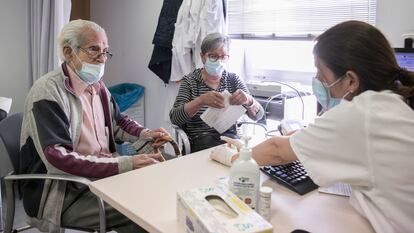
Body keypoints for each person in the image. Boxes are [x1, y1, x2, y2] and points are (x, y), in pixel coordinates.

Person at [211, 21, 414, 233]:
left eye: (321, 75)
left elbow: (276, 152)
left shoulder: (361, 113)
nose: (317, 80)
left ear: (351, 80)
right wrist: (301, 136)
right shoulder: (390, 104)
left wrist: (234, 158)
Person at [20, 19, 168, 233]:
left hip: (100, 177)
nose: (102, 59)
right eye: (94, 50)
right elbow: (58, 158)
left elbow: (119, 122)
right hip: (65, 193)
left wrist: (146, 134)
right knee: (140, 213)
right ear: (68, 52)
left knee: (154, 192)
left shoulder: (96, 86)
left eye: (105, 51)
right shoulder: (47, 92)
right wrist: (126, 164)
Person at [169, 32, 264, 152]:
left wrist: (249, 100)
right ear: (203, 57)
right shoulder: (190, 81)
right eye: (213, 56)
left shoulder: (233, 80)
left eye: (223, 57)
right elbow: (175, 118)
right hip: (200, 142)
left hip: (231, 142)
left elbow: (258, 116)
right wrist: (200, 101)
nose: (218, 61)